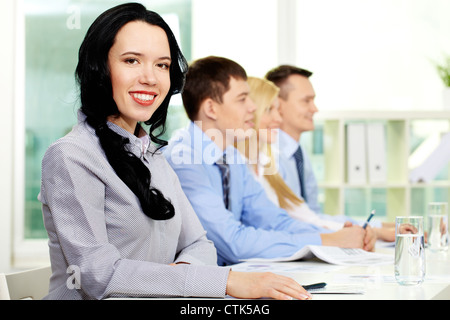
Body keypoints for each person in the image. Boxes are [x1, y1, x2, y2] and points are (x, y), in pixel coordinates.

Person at [38, 3, 312, 300]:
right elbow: (98, 276)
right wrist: (220, 281)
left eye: (162, 65)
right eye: (131, 61)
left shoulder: (153, 155)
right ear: (100, 68)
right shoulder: (71, 156)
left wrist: (179, 278)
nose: (151, 77)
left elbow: (200, 244)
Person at [164, 56, 372, 269]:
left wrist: (337, 236)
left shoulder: (231, 157)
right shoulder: (183, 160)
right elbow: (232, 242)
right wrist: (326, 241)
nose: (253, 107)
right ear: (211, 108)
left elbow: (272, 219)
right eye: (243, 99)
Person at [265, 65, 395, 242]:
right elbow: (294, 220)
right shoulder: (269, 155)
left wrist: (383, 226)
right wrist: (375, 230)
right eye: (306, 101)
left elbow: (313, 215)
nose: (315, 109)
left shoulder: (298, 153)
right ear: (278, 104)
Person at [235, 76, 350, 231]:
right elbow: (273, 225)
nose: (278, 118)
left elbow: (304, 216)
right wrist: (331, 237)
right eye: (269, 109)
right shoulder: (235, 167)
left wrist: (345, 231)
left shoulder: (268, 164)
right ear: (250, 113)